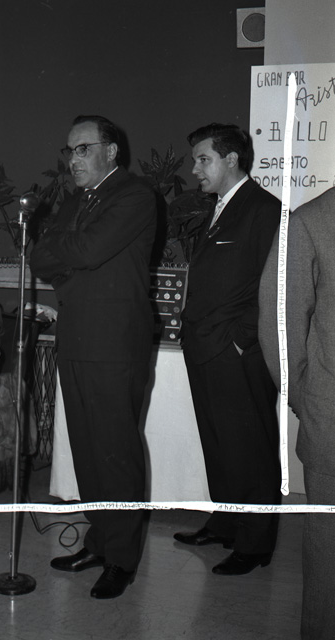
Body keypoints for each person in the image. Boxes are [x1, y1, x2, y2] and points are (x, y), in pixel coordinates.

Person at [30, 114, 157, 599]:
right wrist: (66, 252)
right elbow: (40, 258)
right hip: (77, 338)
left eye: (83, 149)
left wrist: (63, 250)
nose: (73, 159)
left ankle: (122, 559)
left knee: (115, 451)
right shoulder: (75, 200)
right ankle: (100, 542)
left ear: (111, 151)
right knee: (86, 449)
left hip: (115, 343)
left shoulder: (134, 195)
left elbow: (87, 250)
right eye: (70, 151)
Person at [174, 123, 282, 575]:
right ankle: (225, 522)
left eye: (204, 159)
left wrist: (240, 340)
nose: (195, 169)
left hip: (236, 352)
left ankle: (255, 544)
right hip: (205, 347)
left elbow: (274, 287)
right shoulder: (220, 208)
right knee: (219, 445)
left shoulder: (264, 209)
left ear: (232, 159)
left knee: (250, 450)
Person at [259, 187, 335, 639]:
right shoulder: (310, 222)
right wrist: (307, 398)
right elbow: (279, 325)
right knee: (329, 565)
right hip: (332, 427)